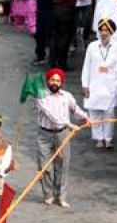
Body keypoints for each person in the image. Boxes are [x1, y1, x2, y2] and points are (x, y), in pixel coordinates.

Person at [34, 68, 90, 208]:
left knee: (62, 166)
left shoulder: (67, 96)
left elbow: (75, 109)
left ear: (61, 83)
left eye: (58, 81)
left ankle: (61, 197)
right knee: (45, 166)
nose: (55, 83)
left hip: (62, 135)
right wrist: (70, 125)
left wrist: (86, 117)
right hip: (44, 135)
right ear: (48, 81)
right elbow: (52, 115)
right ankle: (48, 195)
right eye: (52, 80)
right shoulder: (41, 96)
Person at [82, 18, 117, 149]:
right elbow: (86, 66)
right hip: (94, 84)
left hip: (110, 86)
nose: (104, 33)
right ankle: (99, 138)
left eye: (106, 30)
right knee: (94, 112)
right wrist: (85, 85)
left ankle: (108, 139)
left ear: (111, 32)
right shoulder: (92, 46)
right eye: (101, 30)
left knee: (109, 113)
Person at [50, 0, 93, 70]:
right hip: (67, 11)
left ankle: (52, 61)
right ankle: (62, 63)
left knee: (55, 36)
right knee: (65, 38)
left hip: (56, 9)